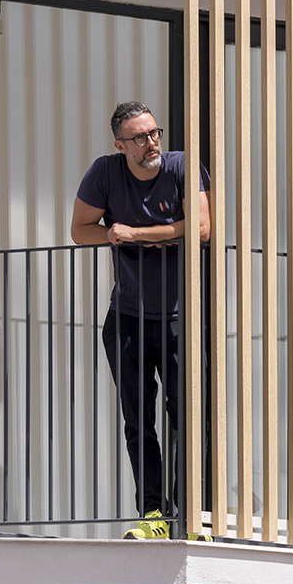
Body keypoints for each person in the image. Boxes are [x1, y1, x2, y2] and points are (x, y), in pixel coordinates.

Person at [71, 102, 211, 539]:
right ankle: (153, 514)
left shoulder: (183, 166)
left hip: (178, 319)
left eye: (154, 133)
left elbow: (202, 227)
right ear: (120, 145)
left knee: (187, 416)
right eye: (140, 137)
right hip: (127, 317)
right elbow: (80, 230)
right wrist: (113, 231)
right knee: (138, 419)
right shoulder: (105, 172)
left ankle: (189, 514)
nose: (151, 143)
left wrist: (135, 233)